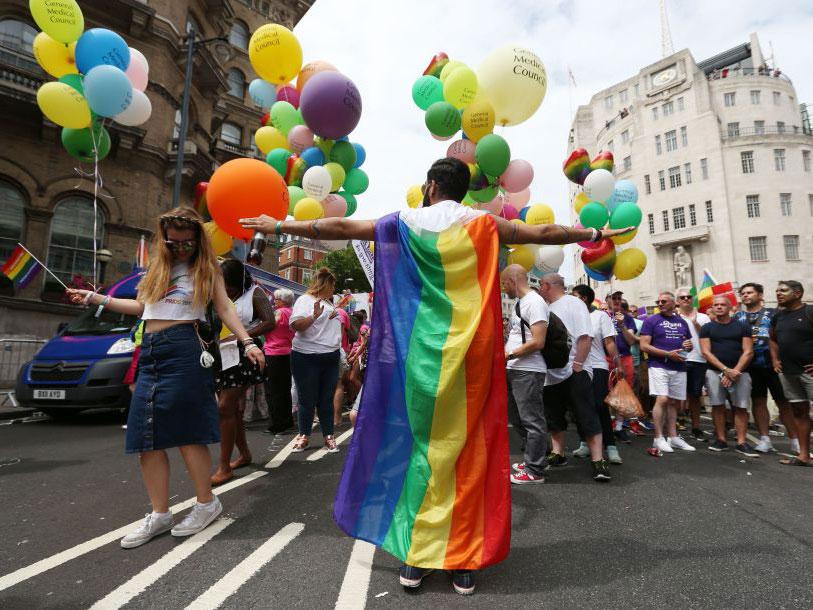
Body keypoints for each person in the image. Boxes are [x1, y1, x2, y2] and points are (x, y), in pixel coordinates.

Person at [240, 157, 632, 595]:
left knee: (419, 452)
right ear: (463, 190)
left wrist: (277, 226)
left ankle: (420, 553)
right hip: (472, 360)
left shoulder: (405, 221)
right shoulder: (483, 224)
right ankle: (461, 557)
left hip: (417, 360)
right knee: (466, 454)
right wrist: (594, 233)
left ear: (429, 186)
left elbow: (341, 229)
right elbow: (542, 234)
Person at [67, 208, 264, 548]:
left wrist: (246, 341)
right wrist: (96, 299)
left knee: (187, 431)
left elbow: (224, 308)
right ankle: (160, 514)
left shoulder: (207, 268)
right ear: (165, 241)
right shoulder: (158, 268)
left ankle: (206, 503)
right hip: (153, 350)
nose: (181, 249)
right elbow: (143, 308)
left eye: (187, 243)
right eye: (174, 243)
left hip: (185, 348)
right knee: (148, 434)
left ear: (198, 240)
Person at [538, 274, 611, 482]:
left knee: (585, 413)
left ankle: (598, 460)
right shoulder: (545, 307)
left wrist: (578, 364)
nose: (540, 289)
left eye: (541, 285)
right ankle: (558, 453)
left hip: (573, 370)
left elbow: (585, 336)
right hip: (551, 374)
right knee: (554, 415)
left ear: (547, 285)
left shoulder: (573, 303)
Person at [211, 259, 275, 486]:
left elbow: (270, 322)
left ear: (237, 280)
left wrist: (243, 336)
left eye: (227, 283)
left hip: (245, 354)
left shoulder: (255, 293)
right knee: (233, 409)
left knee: (225, 407)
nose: (224, 288)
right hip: (223, 355)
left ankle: (223, 467)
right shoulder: (220, 296)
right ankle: (245, 454)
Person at [735, 283, 799, 454]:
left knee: (784, 403)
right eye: (743, 293)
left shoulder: (774, 313)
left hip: (774, 365)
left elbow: (783, 336)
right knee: (758, 401)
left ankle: (795, 439)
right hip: (751, 366)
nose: (746, 296)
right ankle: (764, 439)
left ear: (760, 295)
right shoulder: (737, 316)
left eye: (750, 293)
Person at [501, 264, 549, 484]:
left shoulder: (535, 302)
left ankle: (535, 469)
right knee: (517, 418)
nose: (504, 288)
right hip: (516, 369)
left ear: (513, 280)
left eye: (504, 283)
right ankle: (535, 457)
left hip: (528, 370)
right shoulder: (522, 302)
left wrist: (509, 355)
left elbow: (538, 341)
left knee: (531, 420)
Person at [289, 267, 343, 453]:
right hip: (306, 356)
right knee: (307, 399)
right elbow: (296, 326)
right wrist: (314, 316)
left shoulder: (330, 304)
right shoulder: (304, 300)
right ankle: (304, 435)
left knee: (326, 399)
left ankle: (329, 436)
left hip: (330, 356)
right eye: (333, 284)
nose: (334, 288)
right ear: (325, 284)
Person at [639, 292, 696, 454]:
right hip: (658, 365)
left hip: (678, 365)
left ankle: (673, 436)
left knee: (673, 402)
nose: (660, 303)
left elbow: (688, 344)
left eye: (664, 301)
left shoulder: (682, 322)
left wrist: (688, 345)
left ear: (673, 303)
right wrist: (667, 354)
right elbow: (643, 345)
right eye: (658, 301)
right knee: (662, 399)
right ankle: (658, 438)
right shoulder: (651, 320)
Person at [699, 295, 756, 456]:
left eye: (722, 304)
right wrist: (725, 370)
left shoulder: (742, 326)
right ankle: (721, 440)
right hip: (714, 372)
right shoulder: (707, 328)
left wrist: (734, 371)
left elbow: (748, 351)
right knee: (717, 406)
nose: (719, 307)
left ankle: (742, 442)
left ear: (730, 307)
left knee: (741, 407)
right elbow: (706, 352)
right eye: (716, 305)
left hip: (740, 373)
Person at [573, 284, 623, 465]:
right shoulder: (572, 317)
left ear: (584, 298)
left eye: (575, 296)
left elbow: (609, 342)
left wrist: (618, 364)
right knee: (580, 408)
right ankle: (585, 443)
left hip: (597, 367)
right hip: (577, 368)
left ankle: (610, 446)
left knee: (600, 407)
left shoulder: (600, 316)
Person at [770, 280, 813, 466]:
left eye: (783, 290)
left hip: (809, 373)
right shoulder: (778, 316)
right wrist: (775, 359)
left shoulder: (809, 312)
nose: (779, 293)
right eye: (777, 290)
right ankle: (804, 456)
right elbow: (772, 338)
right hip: (788, 372)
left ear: (798, 293)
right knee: (799, 411)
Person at [676, 289, 711, 442]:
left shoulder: (704, 317)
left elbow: (709, 336)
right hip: (678, 359)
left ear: (692, 299)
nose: (685, 299)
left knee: (695, 395)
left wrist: (695, 323)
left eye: (688, 297)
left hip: (698, 359)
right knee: (676, 395)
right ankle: (675, 424)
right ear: (677, 300)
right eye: (682, 297)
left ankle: (696, 427)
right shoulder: (673, 317)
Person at [263, 288, 296, 434]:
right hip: (287, 352)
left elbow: (268, 325)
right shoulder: (292, 312)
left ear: (282, 300)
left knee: (273, 390)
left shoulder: (280, 313)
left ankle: (276, 424)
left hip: (274, 352)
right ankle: (287, 421)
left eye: (276, 299)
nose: (274, 301)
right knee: (284, 389)